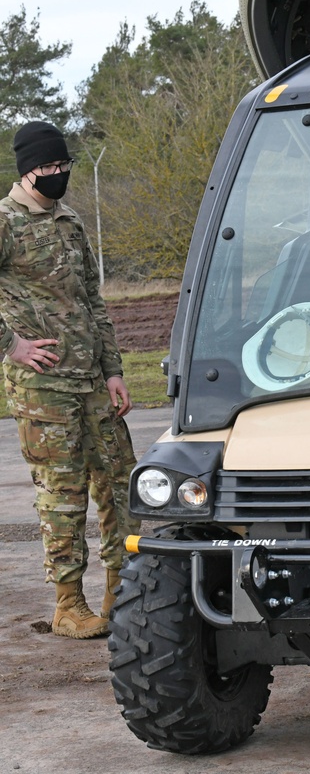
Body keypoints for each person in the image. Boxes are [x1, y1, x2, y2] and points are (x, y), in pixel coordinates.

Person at [0, 120, 140, 639]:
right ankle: (67, 604)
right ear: (27, 169)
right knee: (63, 493)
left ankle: (123, 592)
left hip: (92, 382)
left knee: (121, 484)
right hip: (44, 388)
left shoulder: (70, 222)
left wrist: (114, 370)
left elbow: (93, 302)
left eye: (65, 166)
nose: (59, 175)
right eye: (50, 167)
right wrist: (12, 345)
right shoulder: (6, 223)